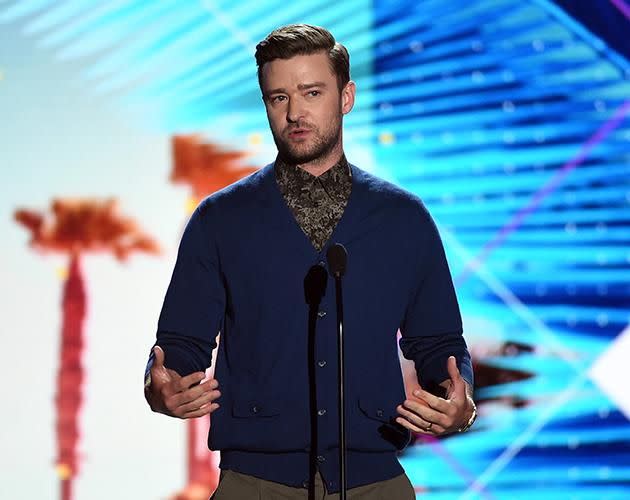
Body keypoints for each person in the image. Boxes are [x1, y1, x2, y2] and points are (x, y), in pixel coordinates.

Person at [144, 24, 476, 499]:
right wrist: (163, 385)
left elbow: (440, 343)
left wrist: (458, 397)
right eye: (278, 98)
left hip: (374, 479)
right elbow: (178, 346)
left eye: (311, 92)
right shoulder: (220, 220)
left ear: (346, 97)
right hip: (254, 482)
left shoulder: (404, 219)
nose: (295, 112)